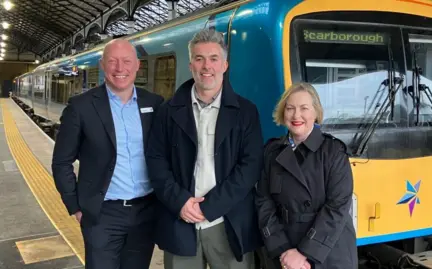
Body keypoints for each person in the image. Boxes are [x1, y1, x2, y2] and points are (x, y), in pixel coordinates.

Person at [146, 29, 264, 269]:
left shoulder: (246, 112)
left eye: (213, 58)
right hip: (180, 222)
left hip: (229, 222)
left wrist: (209, 207)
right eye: (199, 59)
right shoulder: (168, 111)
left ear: (225, 64)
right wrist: (181, 202)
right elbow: (156, 161)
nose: (206, 66)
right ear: (190, 65)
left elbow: (250, 167)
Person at [52, 39, 164, 269]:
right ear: (102, 65)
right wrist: (75, 206)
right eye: (112, 62)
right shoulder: (80, 107)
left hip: (146, 212)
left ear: (137, 66)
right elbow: (62, 162)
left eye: (126, 62)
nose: (119, 69)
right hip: (103, 213)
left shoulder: (154, 104)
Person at [255, 82, 357, 269]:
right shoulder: (271, 152)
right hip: (284, 252)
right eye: (290, 108)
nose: (296, 115)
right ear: (282, 112)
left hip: (327, 251)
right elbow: (263, 201)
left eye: (304, 108)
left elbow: (337, 206)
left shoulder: (333, 151)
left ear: (315, 113)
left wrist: (304, 253)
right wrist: (283, 249)